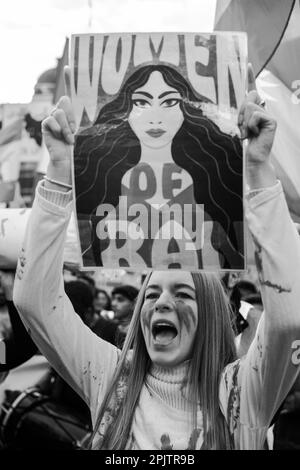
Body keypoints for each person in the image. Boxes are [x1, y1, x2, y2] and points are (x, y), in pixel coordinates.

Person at [13, 65, 300, 449]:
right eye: (151, 294)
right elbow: (34, 302)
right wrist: (62, 174)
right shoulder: (111, 379)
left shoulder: (241, 393)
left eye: (182, 294)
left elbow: (290, 319)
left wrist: (259, 171)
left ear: (213, 312)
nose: (162, 302)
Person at [74, 65, 244, 269]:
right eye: (142, 102)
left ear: (185, 110)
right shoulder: (98, 183)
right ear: (127, 110)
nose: (155, 117)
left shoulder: (217, 181)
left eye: (169, 101)